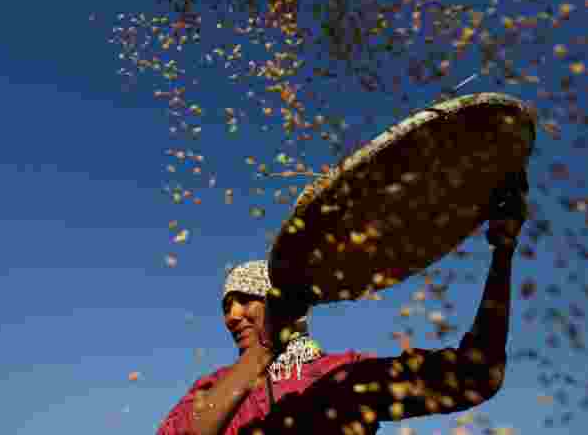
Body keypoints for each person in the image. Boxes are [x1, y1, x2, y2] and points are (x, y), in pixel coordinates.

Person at [156, 171, 530, 435]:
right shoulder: (212, 390)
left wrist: (502, 253)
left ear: (282, 304)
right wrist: (264, 353)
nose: (232, 315)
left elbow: (478, 375)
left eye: (247, 300)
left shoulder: (342, 378)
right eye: (226, 305)